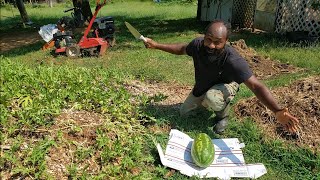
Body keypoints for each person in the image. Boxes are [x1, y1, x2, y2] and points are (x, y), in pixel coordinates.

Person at [143, 20, 299, 134]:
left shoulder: (233, 59)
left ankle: (222, 116)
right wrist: (156, 45)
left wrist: (277, 110)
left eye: (217, 42)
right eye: (208, 39)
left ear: (225, 42)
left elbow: (256, 86)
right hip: (205, 84)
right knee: (185, 112)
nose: (211, 45)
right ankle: (208, 103)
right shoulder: (198, 45)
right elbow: (182, 48)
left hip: (227, 85)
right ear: (204, 36)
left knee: (213, 98)